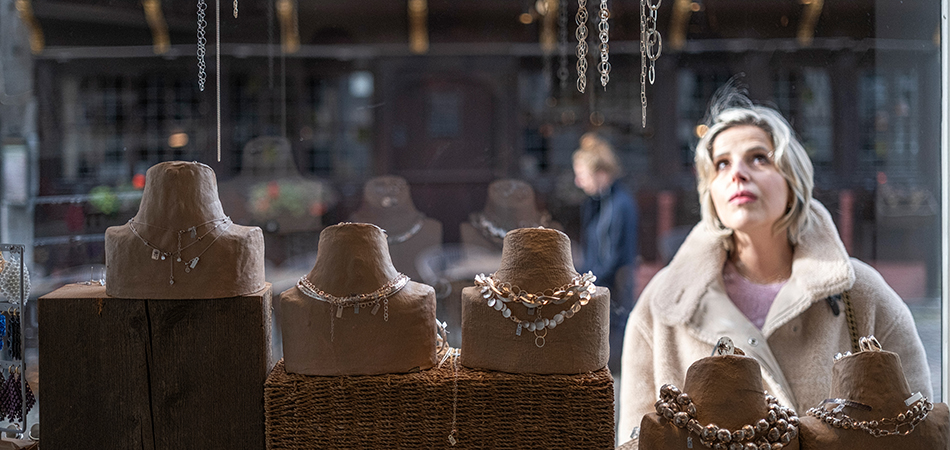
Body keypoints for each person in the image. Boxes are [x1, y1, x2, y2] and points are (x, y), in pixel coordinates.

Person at [617, 87, 932, 443]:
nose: (738, 173)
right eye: (722, 164)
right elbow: (635, 439)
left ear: (792, 179)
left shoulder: (860, 292)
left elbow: (917, 432)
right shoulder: (663, 305)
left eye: (758, 158)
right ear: (710, 191)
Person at [572, 133, 639, 372]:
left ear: (600, 173)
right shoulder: (595, 203)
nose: (578, 182)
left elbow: (616, 258)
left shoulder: (621, 205)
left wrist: (587, 283)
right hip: (599, 287)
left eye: (582, 175)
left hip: (614, 294)